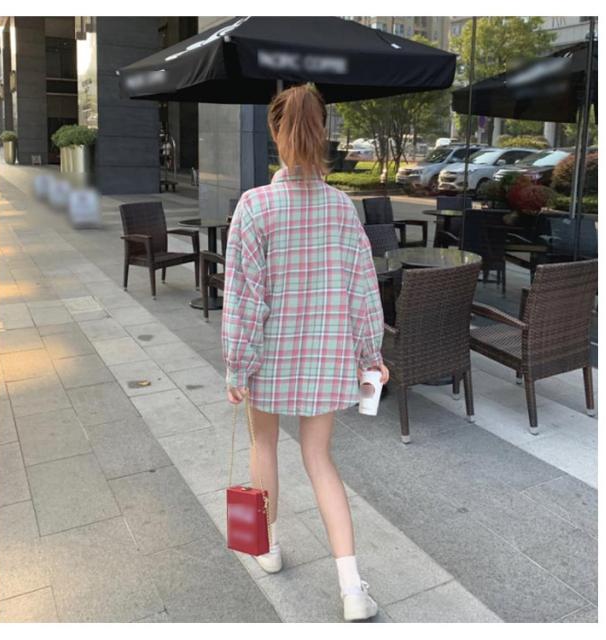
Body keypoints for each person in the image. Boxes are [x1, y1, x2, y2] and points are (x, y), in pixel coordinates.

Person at [221, 83, 388, 622]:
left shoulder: (255, 206)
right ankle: (352, 589)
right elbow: (364, 291)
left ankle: (266, 546)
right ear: (324, 133)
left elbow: (244, 300)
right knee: (320, 459)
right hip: (324, 359)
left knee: (263, 445)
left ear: (276, 133)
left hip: (268, 360)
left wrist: (237, 365)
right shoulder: (342, 209)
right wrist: (370, 353)